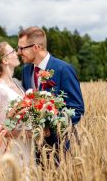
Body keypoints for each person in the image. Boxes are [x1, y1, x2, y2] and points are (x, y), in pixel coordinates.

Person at [17, 26, 85, 163]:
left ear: (36, 47)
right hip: (32, 150)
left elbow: (77, 109)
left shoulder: (63, 69)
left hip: (60, 150)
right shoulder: (26, 71)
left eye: (22, 48)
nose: (19, 52)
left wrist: (51, 125)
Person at [0, 41, 32, 167]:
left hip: (27, 148)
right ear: (5, 60)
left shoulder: (16, 83)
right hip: (14, 151)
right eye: (12, 51)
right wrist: (25, 133)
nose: (17, 53)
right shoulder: (1, 90)